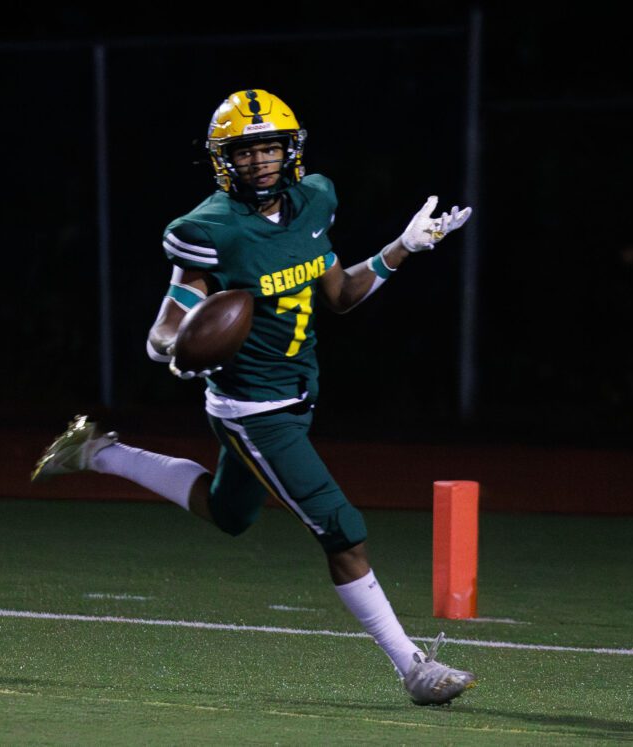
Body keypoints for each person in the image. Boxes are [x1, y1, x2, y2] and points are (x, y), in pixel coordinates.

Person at [33, 89, 475, 705]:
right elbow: (167, 324)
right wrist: (171, 349)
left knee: (230, 513)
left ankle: (98, 452)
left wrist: (404, 248)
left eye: (270, 147)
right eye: (247, 151)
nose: (262, 161)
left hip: (297, 393)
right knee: (342, 529)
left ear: (289, 150)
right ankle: (414, 668)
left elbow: (341, 294)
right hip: (252, 410)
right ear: (224, 160)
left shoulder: (313, 201)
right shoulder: (208, 229)